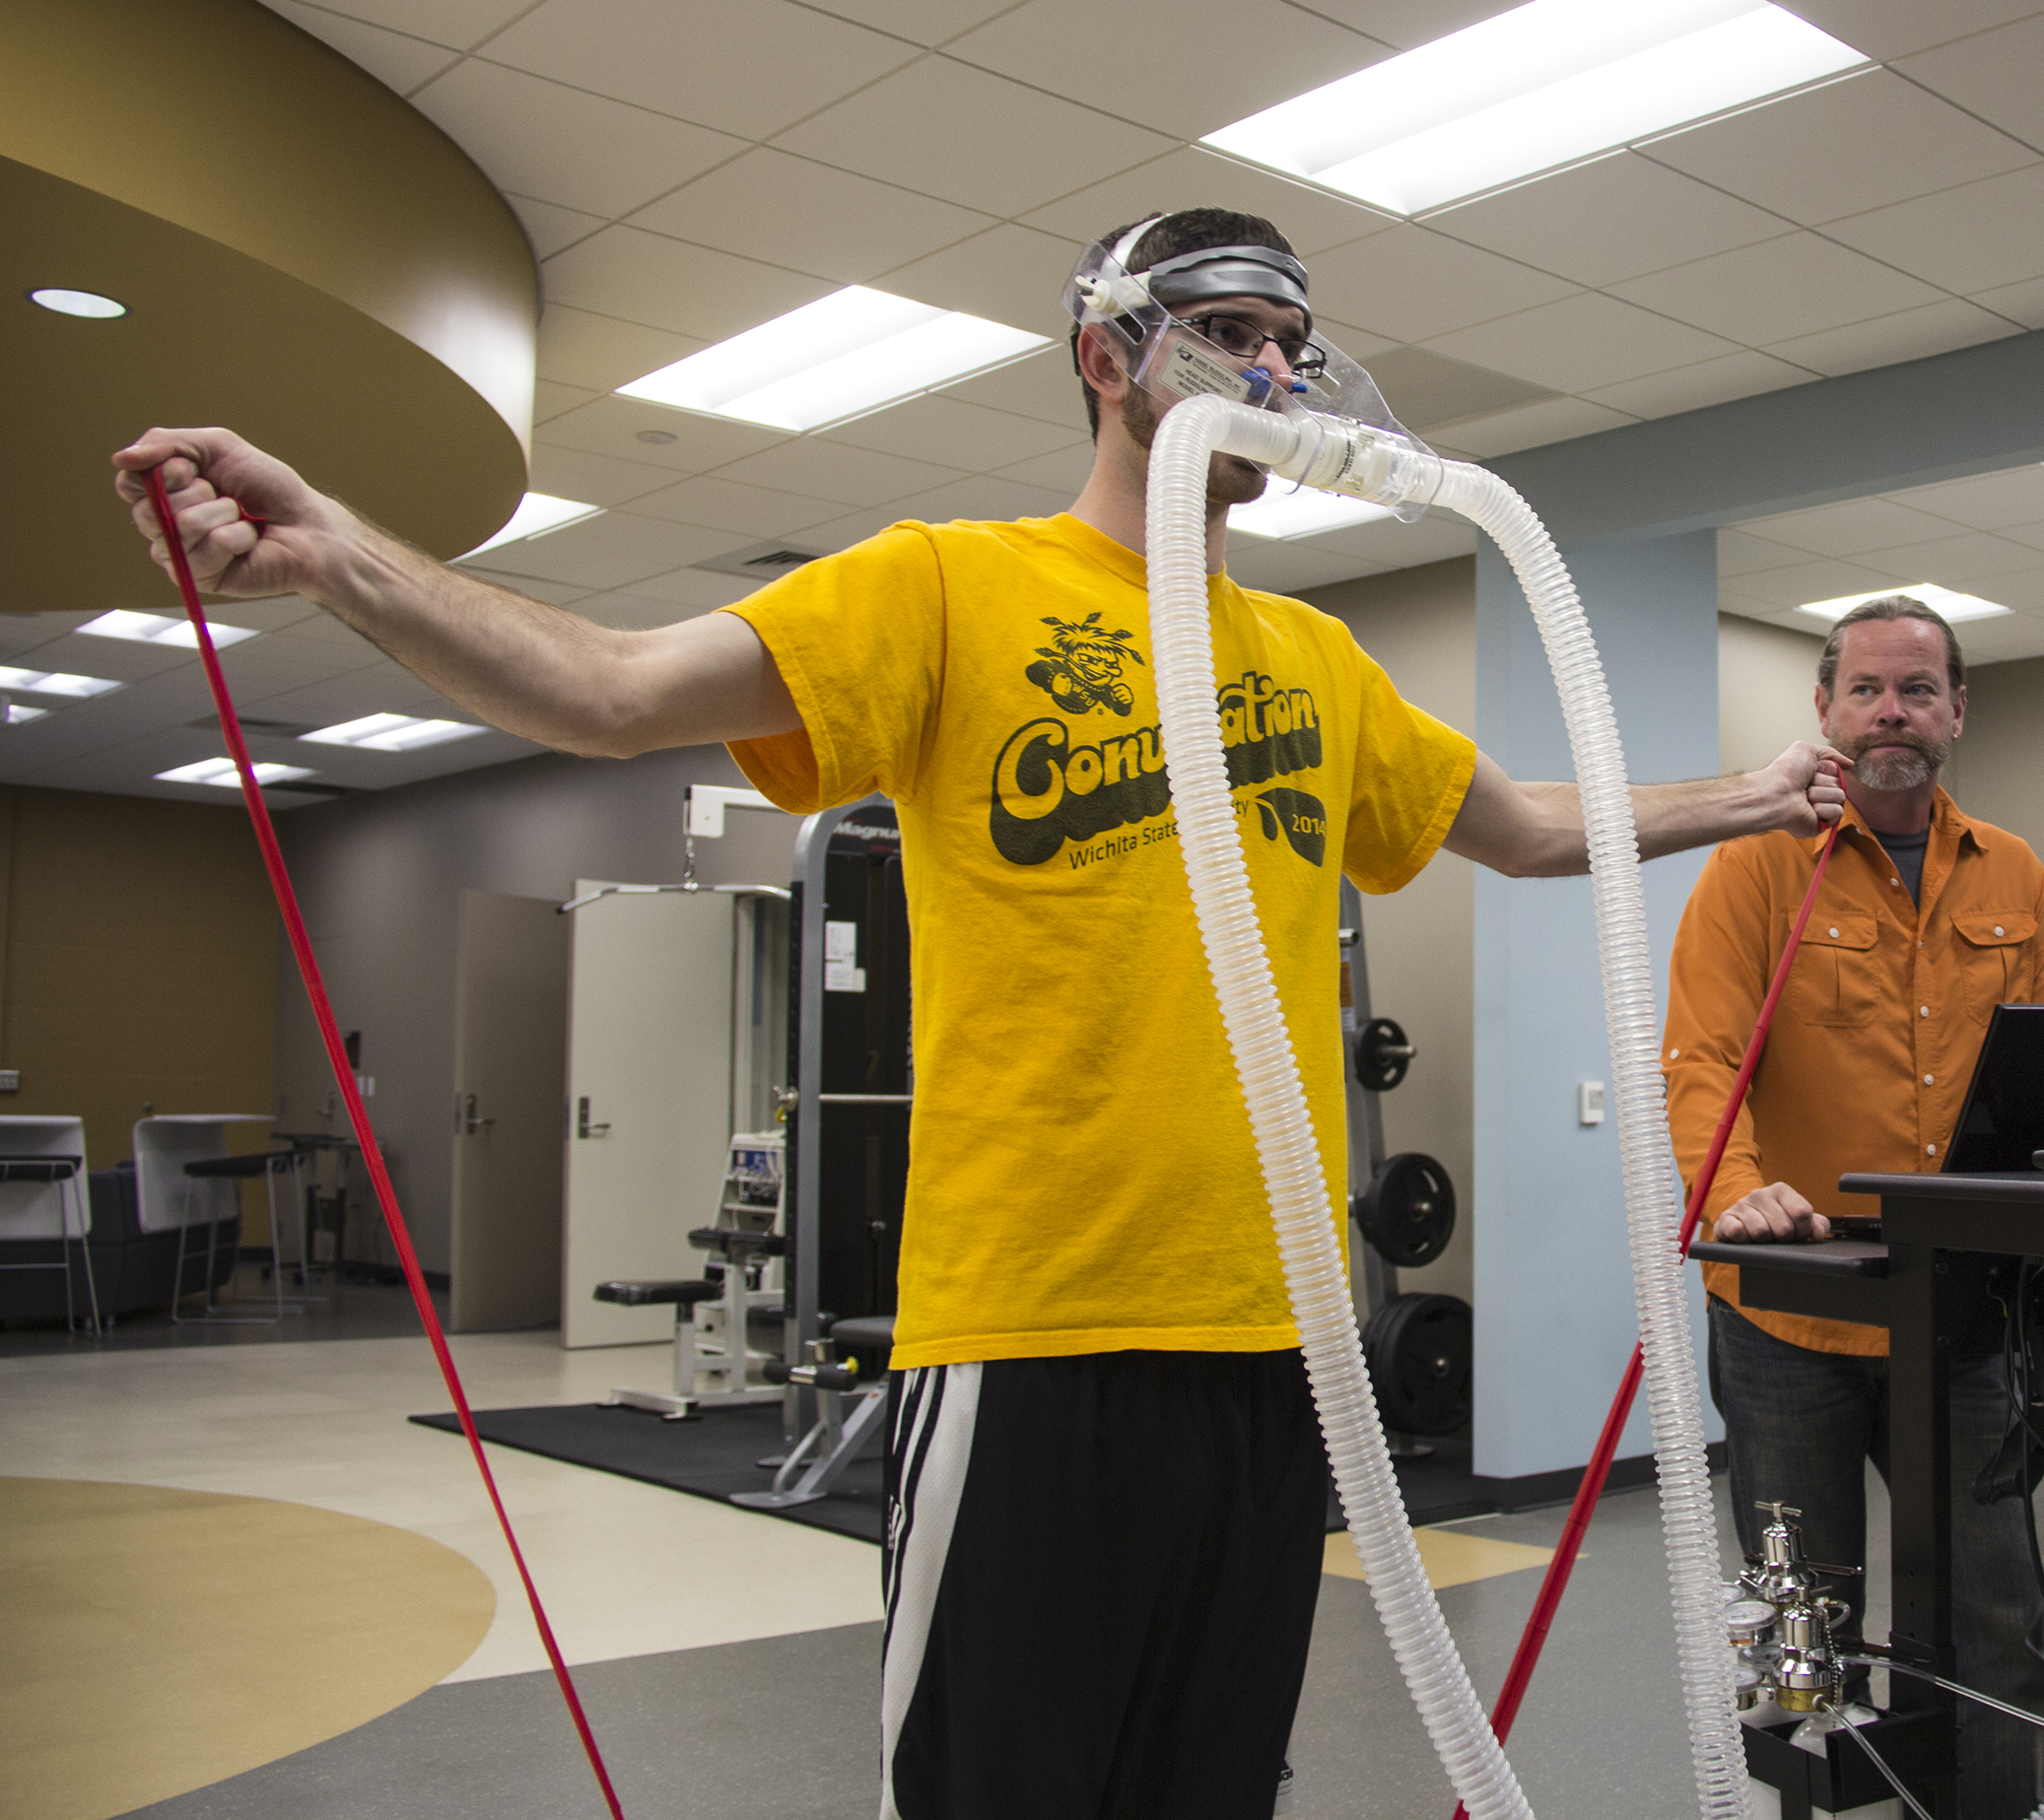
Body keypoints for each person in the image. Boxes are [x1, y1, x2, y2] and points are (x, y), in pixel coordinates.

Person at [114, 207, 1845, 1820]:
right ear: (1106, 355)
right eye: (1225, 334)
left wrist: (1758, 794)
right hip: (1033, 1334)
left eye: (1287, 346)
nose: (1268, 379)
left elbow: (1529, 825)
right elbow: (610, 688)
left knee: (1211, 1780)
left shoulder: (1317, 663)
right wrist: (335, 550)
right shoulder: (948, 584)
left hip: (1271, 1345)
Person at [1661, 595, 2044, 1820]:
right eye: (1867, 690)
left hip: (1959, 1312)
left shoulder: (2015, 871)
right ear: (1828, 711)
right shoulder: (1755, 865)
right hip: (1792, 1314)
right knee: (1806, 1635)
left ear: (1957, 711)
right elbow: (1698, 1060)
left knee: (1996, 1619)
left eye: (1918, 689)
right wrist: (1735, 1195)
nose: (1892, 712)